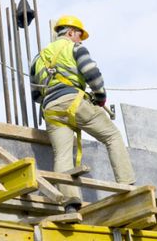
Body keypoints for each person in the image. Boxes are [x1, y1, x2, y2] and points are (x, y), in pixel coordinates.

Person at [30, 15, 135, 213]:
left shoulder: (38, 58)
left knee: (61, 155)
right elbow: (92, 74)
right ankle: (128, 185)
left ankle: (70, 204)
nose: (80, 40)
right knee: (112, 136)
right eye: (79, 35)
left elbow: (36, 94)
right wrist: (100, 96)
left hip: (51, 110)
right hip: (75, 102)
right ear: (70, 33)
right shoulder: (75, 48)